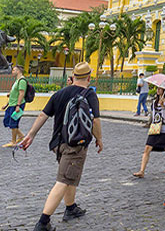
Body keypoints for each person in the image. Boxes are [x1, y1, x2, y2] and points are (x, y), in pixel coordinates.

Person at [19, 62, 103, 231]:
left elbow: (44, 114)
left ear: (73, 77)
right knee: (64, 180)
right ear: (88, 77)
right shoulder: (89, 95)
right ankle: (43, 222)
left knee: (70, 175)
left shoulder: (60, 93)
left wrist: (31, 134)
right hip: (75, 145)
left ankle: (71, 208)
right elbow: (95, 121)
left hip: (58, 144)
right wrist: (99, 139)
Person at [133, 85, 165, 178]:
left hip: (164, 129)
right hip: (155, 128)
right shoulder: (154, 102)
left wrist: (163, 106)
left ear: (164, 90)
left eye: (160, 89)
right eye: (158, 88)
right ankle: (142, 171)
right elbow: (153, 115)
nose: (158, 90)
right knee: (147, 147)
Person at [2, 64, 27, 147]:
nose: (12, 71)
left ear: (18, 71)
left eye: (14, 70)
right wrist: (6, 105)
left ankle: (13, 141)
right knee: (7, 121)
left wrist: (18, 105)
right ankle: (21, 136)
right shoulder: (17, 80)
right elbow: (14, 94)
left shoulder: (22, 81)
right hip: (12, 104)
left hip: (17, 105)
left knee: (13, 122)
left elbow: (21, 93)